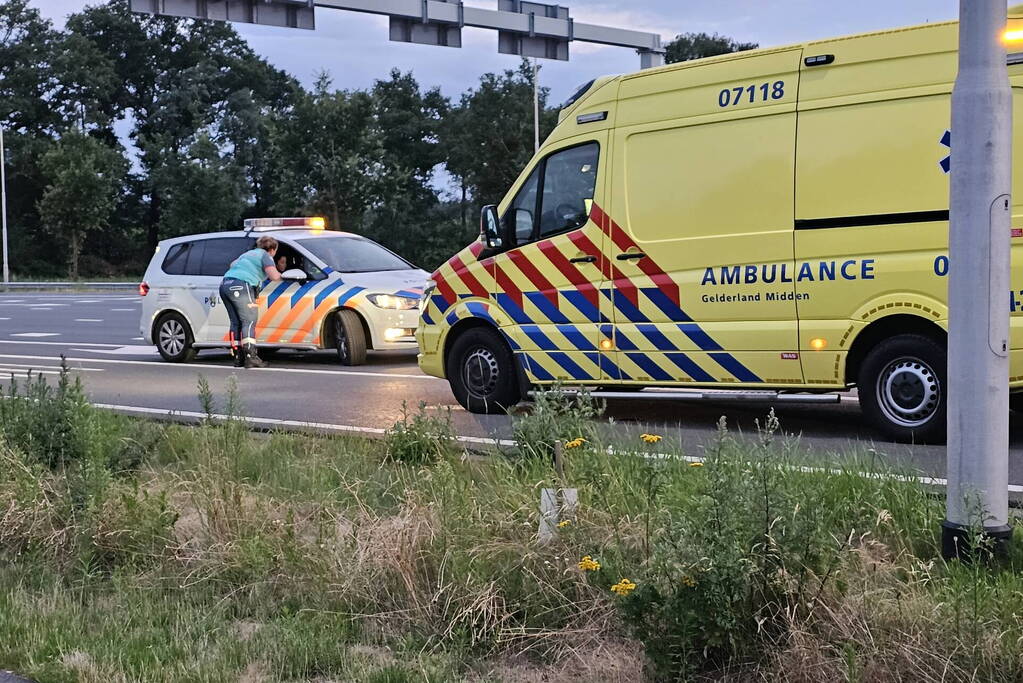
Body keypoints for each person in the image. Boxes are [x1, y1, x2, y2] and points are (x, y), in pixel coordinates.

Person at [220, 235, 283, 368]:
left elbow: (232, 264)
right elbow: (274, 276)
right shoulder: (266, 256)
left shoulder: (247, 254)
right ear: (272, 249)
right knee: (249, 321)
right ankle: (251, 356)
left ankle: (238, 357)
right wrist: (283, 276)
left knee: (235, 322)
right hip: (241, 286)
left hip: (225, 285)